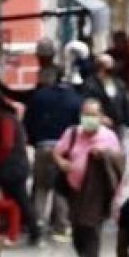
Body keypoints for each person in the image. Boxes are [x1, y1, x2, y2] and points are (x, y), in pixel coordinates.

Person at [53, 99, 125, 257]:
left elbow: (119, 162)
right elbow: (57, 151)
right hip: (74, 189)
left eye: (93, 115)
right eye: (86, 115)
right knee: (77, 228)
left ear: (101, 117)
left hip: (97, 190)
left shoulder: (109, 137)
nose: (89, 119)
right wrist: (62, 163)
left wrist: (105, 154)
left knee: (91, 227)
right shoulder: (72, 133)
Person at [23, 68, 82, 240]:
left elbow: (28, 122)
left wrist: (35, 140)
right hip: (65, 150)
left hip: (42, 146)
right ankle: (61, 226)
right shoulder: (76, 100)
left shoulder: (38, 97)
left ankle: (38, 225)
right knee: (61, 189)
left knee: (41, 188)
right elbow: (78, 127)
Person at [0, 96, 39, 243]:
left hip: (10, 168)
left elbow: (6, 145)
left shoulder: (6, 121)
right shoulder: (12, 120)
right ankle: (34, 231)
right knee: (21, 200)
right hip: (17, 167)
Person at [81, 52, 129, 133]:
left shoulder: (118, 83)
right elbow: (88, 104)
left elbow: (126, 102)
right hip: (101, 127)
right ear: (101, 67)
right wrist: (101, 117)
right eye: (109, 64)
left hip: (119, 126)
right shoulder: (90, 85)